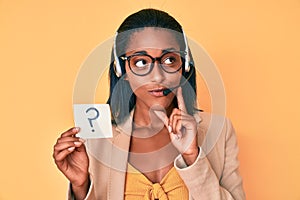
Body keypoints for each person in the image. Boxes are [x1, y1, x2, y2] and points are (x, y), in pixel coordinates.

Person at [53, 8, 246, 200]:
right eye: (140, 62)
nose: (157, 76)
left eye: (170, 60)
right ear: (122, 70)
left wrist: (193, 157)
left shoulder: (220, 132)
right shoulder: (95, 140)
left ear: (185, 65)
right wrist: (81, 188)